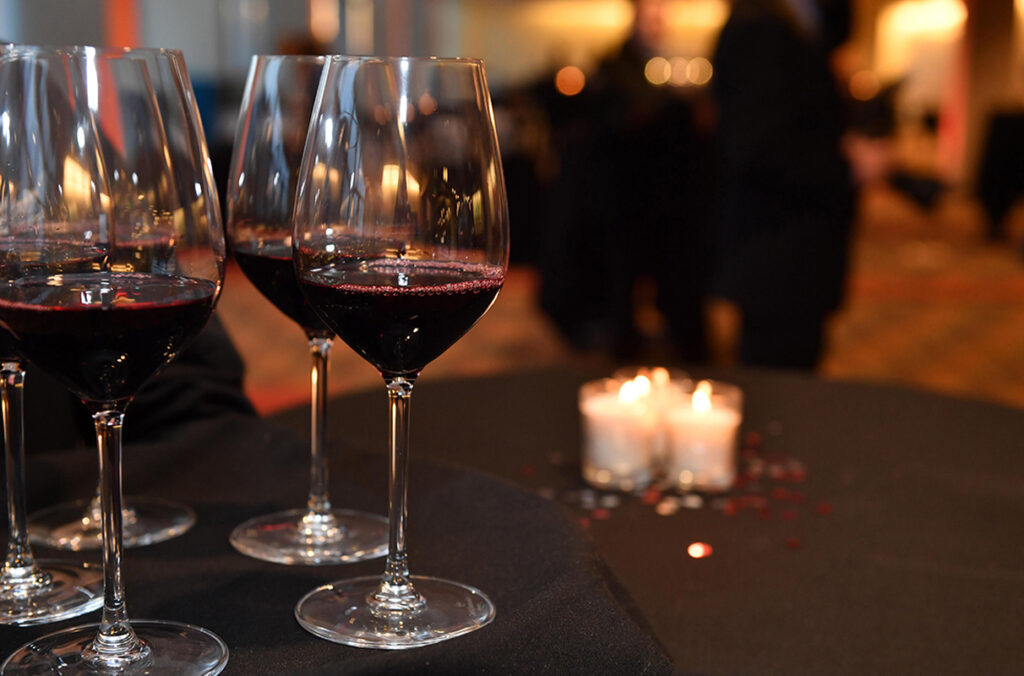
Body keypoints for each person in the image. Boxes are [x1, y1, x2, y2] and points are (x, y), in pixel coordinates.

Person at [538, 0, 712, 362]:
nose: (658, 21)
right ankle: (623, 344)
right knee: (621, 280)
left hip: (660, 197)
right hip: (623, 198)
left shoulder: (654, 64)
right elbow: (609, 127)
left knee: (663, 275)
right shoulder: (614, 65)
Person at [709, 0, 856, 370]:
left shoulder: (796, 21)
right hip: (777, 246)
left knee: (792, 371)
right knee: (776, 383)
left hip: (792, 250)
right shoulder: (759, 25)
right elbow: (755, 147)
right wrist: (846, 165)